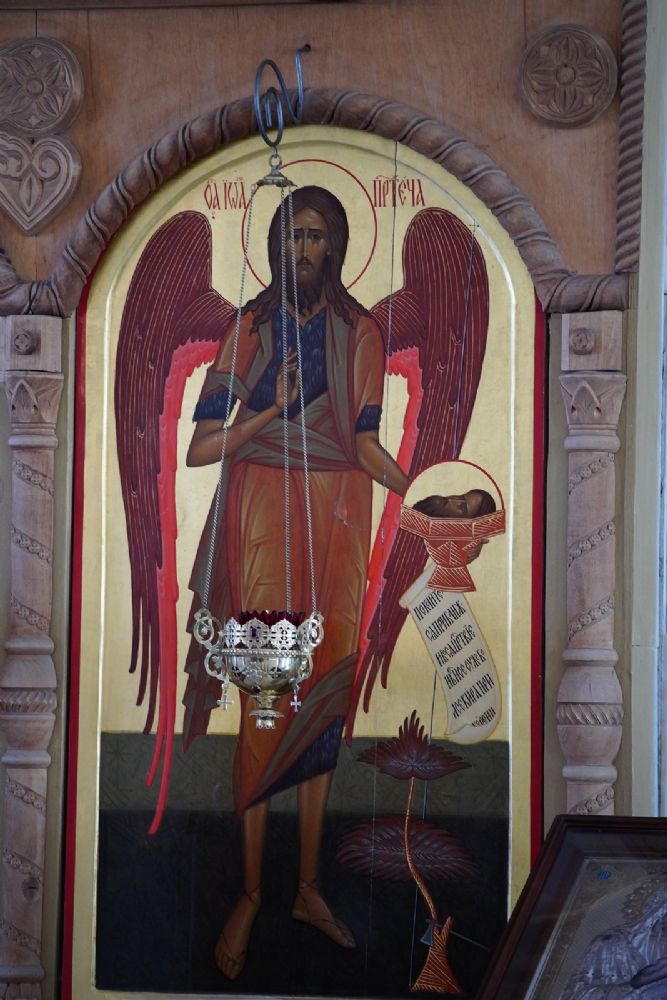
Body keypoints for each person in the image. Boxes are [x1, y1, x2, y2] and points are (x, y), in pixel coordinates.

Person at [185, 186, 409, 979]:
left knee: (325, 695)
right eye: (292, 235)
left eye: (316, 236)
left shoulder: (360, 332)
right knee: (264, 693)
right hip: (261, 513)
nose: (303, 249)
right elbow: (202, 448)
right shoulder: (247, 328)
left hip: (336, 519)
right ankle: (251, 893)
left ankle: (308, 888)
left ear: (335, 247)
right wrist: (266, 413)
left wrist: (423, 496)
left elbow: (366, 445)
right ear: (276, 245)